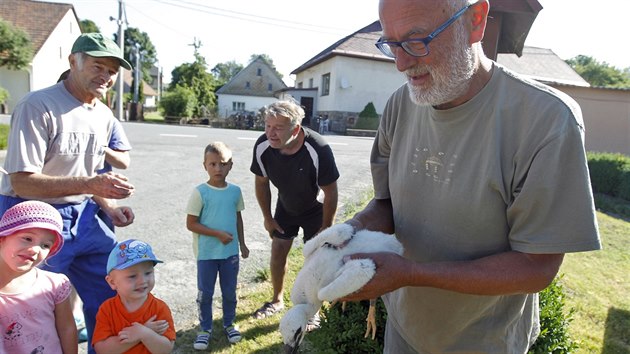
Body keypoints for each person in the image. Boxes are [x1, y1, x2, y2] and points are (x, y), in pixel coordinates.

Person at [338, 0, 602, 353]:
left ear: (475, 21)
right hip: (404, 329)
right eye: (392, 44)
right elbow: (387, 204)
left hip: (485, 341)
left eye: (418, 40)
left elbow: (536, 268)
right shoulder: (402, 103)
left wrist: (410, 274)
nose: (401, 64)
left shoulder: (546, 121)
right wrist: (349, 233)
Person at [0, 32, 136, 353]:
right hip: (31, 218)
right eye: (98, 66)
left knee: (111, 296)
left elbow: (86, 176)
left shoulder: (103, 114)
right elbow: (22, 182)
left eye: (112, 71)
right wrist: (91, 185)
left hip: (85, 217)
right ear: (73, 61)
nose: (105, 76)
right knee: (31, 311)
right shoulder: (39, 104)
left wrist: (110, 206)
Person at [250, 100, 340, 319]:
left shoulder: (318, 149)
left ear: (296, 129)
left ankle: (313, 309)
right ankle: (276, 300)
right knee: (278, 250)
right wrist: (268, 218)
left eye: (278, 128)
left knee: (315, 259)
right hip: (286, 206)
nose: (270, 133)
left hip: (315, 209)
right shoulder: (263, 146)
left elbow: (331, 192)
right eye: (267, 126)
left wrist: (326, 227)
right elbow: (261, 183)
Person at [186, 141, 249, 350]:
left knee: (229, 291)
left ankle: (229, 324)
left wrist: (242, 243)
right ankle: (205, 329)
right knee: (205, 293)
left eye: (222, 164)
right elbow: (191, 224)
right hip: (207, 254)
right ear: (204, 165)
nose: (218, 169)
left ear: (230, 165)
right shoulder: (200, 192)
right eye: (212, 164)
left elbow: (238, 219)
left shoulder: (235, 192)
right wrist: (217, 234)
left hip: (230, 253)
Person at [0, 200, 77, 354]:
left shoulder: (54, 284)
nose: (35, 249)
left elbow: (67, 329)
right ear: (2, 238)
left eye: (45, 245)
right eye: (27, 238)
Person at [92, 239, 176, 354]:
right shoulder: (107, 310)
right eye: (132, 276)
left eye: (148, 273)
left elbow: (166, 349)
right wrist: (136, 334)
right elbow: (102, 349)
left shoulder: (159, 308)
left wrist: (144, 333)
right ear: (112, 282)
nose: (142, 281)